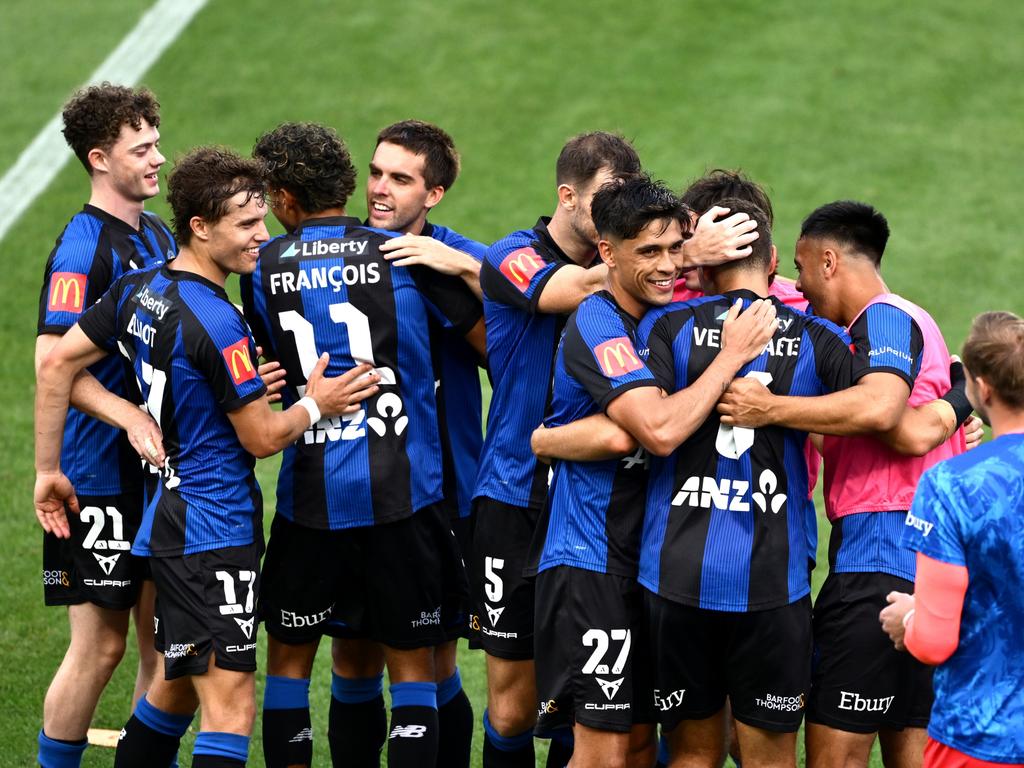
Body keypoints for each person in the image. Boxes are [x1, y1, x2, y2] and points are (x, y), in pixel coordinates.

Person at [34, 146, 379, 768]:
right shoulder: (221, 324)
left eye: (261, 220)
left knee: (173, 693)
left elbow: (57, 363)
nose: (262, 236)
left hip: (170, 516)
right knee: (230, 707)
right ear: (200, 226)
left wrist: (51, 466)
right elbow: (263, 439)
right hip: (213, 528)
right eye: (246, 225)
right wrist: (316, 404)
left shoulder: (140, 288)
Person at [241, 122, 485, 768]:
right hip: (404, 495)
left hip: (309, 499)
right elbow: (499, 344)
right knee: (417, 672)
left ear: (285, 199)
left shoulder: (261, 264)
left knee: (289, 668)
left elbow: (263, 353)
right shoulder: (404, 255)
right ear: (352, 182)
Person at [531, 178, 778, 768]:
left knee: (643, 743)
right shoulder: (599, 321)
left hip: (652, 562)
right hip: (593, 560)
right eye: (649, 253)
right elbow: (658, 431)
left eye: (675, 249)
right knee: (603, 751)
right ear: (608, 254)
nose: (669, 267)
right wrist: (728, 359)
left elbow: (630, 430)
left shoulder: (670, 316)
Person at [716, 201, 972, 768]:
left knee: (835, 757)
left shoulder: (882, 317)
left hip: (878, 558)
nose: (801, 289)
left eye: (804, 271)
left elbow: (888, 418)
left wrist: (770, 407)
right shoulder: (893, 330)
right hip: (927, 556)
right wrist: (958, 403)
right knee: (914, 748)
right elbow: (872, 430)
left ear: (829, 261)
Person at [34, 82, 174, 768]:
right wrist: (123, 411)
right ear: (98, 159)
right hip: (100, 478)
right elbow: (50, 360)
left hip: (155, 469)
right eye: (141, 149)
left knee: (163, 642)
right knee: (101, 645)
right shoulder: (82, 249)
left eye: (156, 143)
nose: (158, 159)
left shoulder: (156, 231)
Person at [880, 310, 1024, 768]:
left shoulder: (952, 485)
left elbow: (934, 642)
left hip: (978, 737)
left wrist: (910, 619)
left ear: (981, 388)